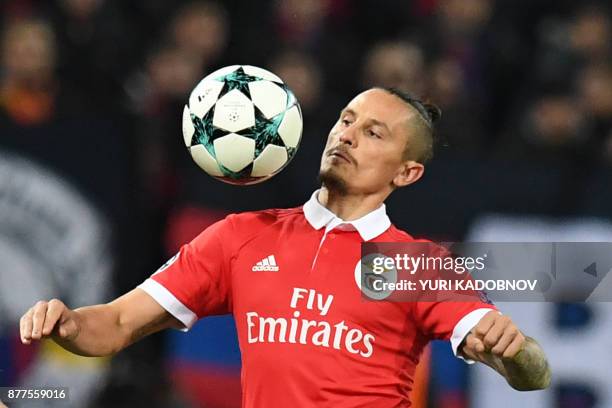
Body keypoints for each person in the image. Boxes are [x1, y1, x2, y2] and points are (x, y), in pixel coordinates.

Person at [19, 87, 551, 407]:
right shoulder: (242, 237)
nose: (346, 135)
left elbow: (532, 377)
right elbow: (114, 324)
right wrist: (68, 324)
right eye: (346, 120)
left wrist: (515, 350)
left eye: (374, 133)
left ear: (407, 172)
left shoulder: (414, 265)